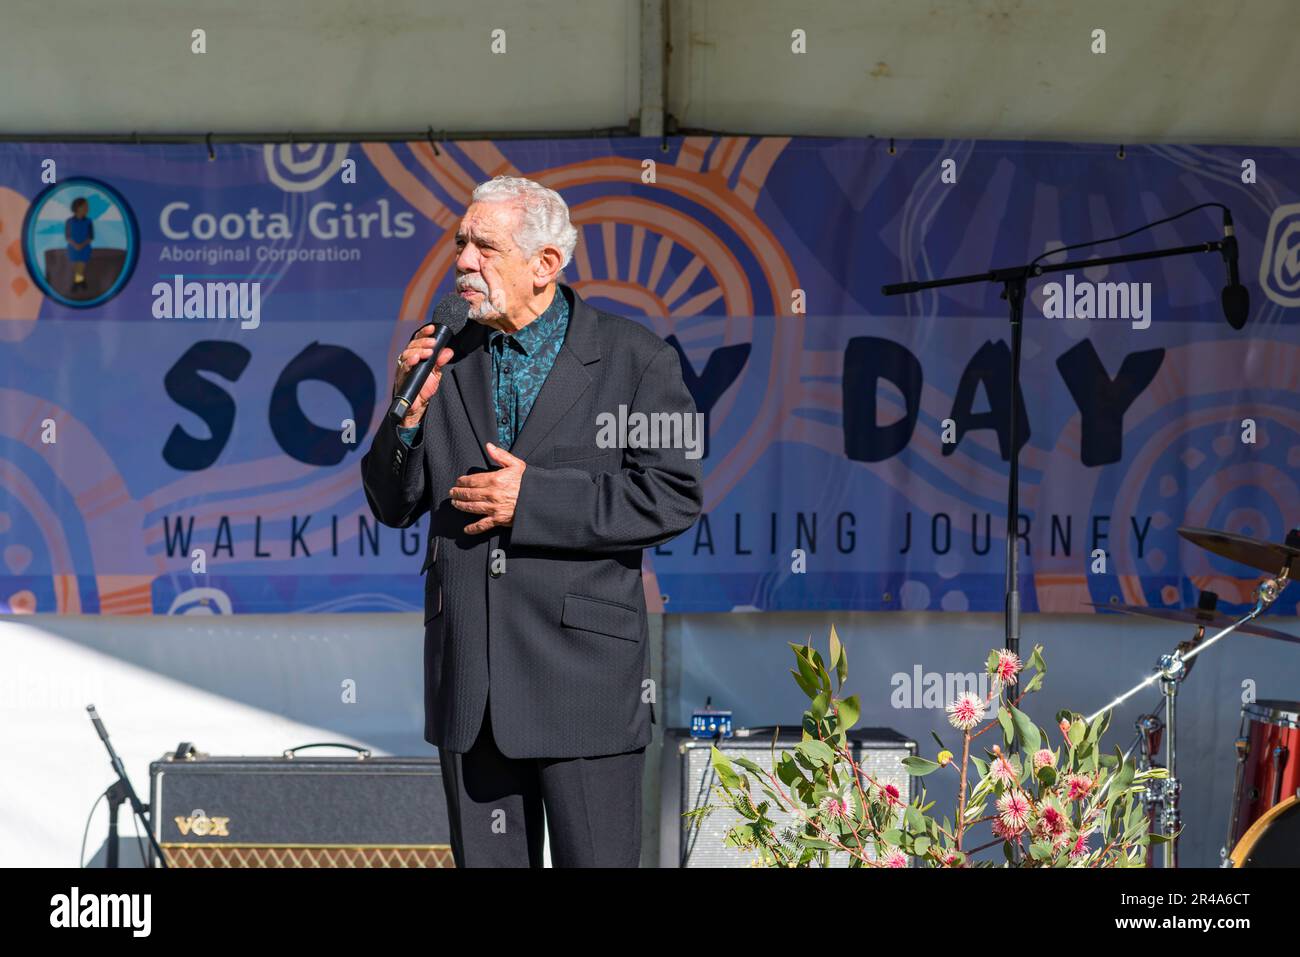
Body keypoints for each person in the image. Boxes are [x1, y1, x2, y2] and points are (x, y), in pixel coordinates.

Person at [361, 176, 702, 867]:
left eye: (483, 246)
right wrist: (405, 412)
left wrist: (534, 501)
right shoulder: (445, 353)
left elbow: (672, 494)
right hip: (472, 687)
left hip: (584, 686)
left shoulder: (637, 358)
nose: (462, 261)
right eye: (461, 244)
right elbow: (392, 502)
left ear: (544, 264)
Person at [64, 196, 94, 292]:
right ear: (77, 207)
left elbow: (91, 237)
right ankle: (81, 281)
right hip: (73, 247)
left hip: (85, 247)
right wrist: (75, 245)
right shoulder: (69, 221)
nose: (87, 208)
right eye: (85, 206)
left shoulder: (89, 221)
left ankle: (76, 283)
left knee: (81, 264)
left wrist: (82, 245)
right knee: (76, 265)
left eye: (87, 206)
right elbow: (68, 236)